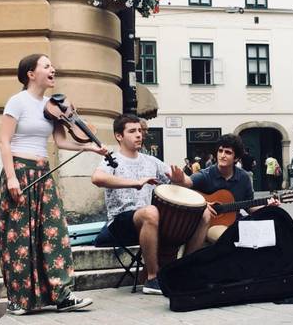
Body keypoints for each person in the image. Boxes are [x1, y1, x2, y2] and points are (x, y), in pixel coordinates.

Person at [0, 54, 105, 315]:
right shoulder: (17, 101)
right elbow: (4, 141)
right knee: (19, 239)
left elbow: (61, 141)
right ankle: (19, 300)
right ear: (31, 74)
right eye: (46, 66)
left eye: (52, 66)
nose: (53, 69)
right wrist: (11, 177)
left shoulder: (52, 106)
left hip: (43, 174)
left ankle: (63, 295)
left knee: (55, 234)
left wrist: (89, 146)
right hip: (20, 172)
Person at [91, 114, 212, 295]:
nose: (139, 135)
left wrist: (180, 180)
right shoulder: (112, 159)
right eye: (132, 131)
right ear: (119, 136)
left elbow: (186, 182)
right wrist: (135, 182)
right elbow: (97, 178)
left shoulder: (152, 161)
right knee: (150, 211)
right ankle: (152, 278)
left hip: (152, 219)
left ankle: (184, 269)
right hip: (121, 222)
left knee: (205, 213)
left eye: (140, 131)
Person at [170, 134, 278, 243]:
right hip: (211, 225)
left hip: (234, 223)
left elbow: (249, 207)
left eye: (228, 152)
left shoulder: (244, 178)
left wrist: (267, 207)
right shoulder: (207, 174)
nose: (222, 155)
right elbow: (188, 182)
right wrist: (180, 180)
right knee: (227, 236)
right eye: (220, 151)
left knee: (268, 236)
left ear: (236, 158)